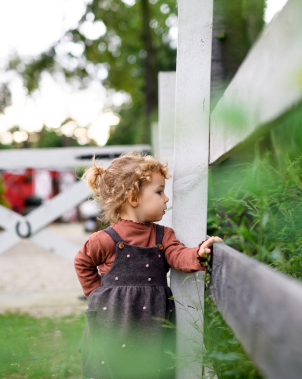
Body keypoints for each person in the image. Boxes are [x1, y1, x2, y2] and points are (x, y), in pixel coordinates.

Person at [74, 152, 221, 379]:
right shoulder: (105, 239)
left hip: (154, 322)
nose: (166, 199)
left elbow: (178, 255)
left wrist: (199, 254)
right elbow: (82, 262)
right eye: (159, 191)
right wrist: (96, 294)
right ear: (133, 198)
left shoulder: (163, 236)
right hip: (113, 319)